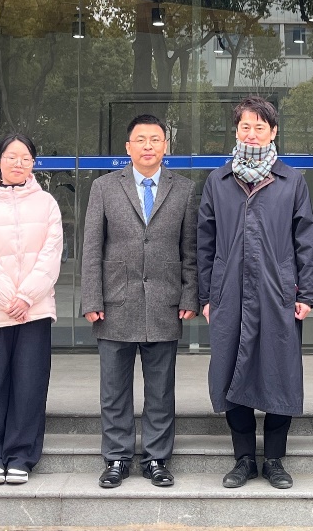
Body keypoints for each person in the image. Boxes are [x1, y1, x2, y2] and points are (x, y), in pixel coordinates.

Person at [198, 96, 313, 491]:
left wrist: (307, 295)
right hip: (229, 292)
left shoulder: (291, 181)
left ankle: (276, 460)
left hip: (277, 291)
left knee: (279, 371)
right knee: (231, 368)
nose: (252, 133)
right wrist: (206, 296)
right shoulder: (218, 181)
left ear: (273, 132)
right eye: (245, 126)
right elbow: (204, 242)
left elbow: (305, 240)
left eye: (260, 127)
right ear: (236, 131)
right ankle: (244, 459)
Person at [80, 113, 199, 489]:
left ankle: (157, 458)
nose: (148, 146)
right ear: (128, 147)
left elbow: (190, 249)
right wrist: (91, 297)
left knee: (161, 389)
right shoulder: (104, 187)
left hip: (164, 301)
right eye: (141, 140)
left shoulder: (184, 189)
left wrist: (190, 293)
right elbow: (92, 247)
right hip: (115, 300)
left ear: (165, 146)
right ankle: (117, 457)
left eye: (155, 139)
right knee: (114, 389)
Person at [0, 132, 63, 486]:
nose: (18, 163)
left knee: (30, 384)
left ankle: (21, 455)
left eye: (25, 158)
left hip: (34, 310)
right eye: (11, 157)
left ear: (33, 163)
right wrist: (7, 298)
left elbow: (52, 255)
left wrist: (26, 297)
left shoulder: (47, 203)